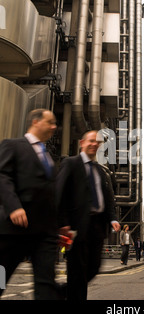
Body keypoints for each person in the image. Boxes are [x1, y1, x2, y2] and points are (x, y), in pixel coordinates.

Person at [0, 109, 60, 299]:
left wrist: (61, 224)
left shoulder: (48, 156)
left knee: (46, 285)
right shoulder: (13, 146)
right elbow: (2, 176)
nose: (54, 127)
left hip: (44, 233)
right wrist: (14, 206)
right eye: (50, 122)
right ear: (35, 122)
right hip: (14, 229)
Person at [56, 130, 120, 300]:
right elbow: (59, 192)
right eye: (90, 141)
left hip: (97, 227)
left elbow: (107, 197)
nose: (94, 144)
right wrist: (63, 222)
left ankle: (62, 292)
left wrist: (112, 218)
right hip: (76, 227)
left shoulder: (100, 170)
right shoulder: (70, 163)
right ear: (82, 143)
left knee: (93, 268)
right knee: (77, 270)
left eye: (97, 142)